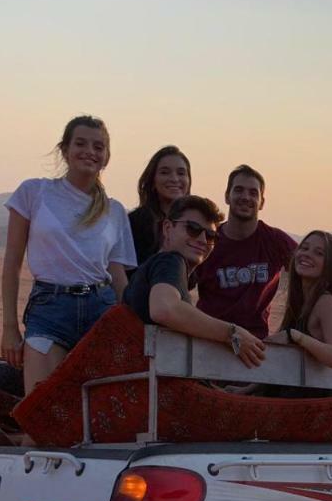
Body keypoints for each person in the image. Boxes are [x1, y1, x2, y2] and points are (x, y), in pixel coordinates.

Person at [1, 115, 136, 393]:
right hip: (50, 309)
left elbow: (118, 276)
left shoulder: (115, 211)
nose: (90, 152)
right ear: (65, 149)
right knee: (41, 414)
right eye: (81, 143)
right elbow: (12, 263)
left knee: (96, 414)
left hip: (101, 311)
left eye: (98, 147)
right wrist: (9, 328)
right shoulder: (34, 192)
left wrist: (133, 327)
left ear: (107, 157)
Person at [123, 195, 265, 368]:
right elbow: (164, 309)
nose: (203, 240)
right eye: (192, 228)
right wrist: (232, 333)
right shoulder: (171, 261)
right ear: (168, 228)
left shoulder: (156, 267)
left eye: (211, 236)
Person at [194, 164, 297, 338]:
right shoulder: (208, 239)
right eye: (239, 190)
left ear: (262, 202)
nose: (245, 197)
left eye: (253, 193)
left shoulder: (274, 240)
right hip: (210, 339)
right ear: (227, 196)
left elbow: (310, 273)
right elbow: (179, 287)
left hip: (256, 342)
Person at [265, 231, 332, 371]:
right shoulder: (299, 300)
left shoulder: (325, 302)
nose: (307, 254)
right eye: (304, 248)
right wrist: (248, 389)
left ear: (331, 265)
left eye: (319, 253)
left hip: (308, 391)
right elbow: (281, 364)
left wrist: (294, 337)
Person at [129, 146, 191, 266]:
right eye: (165, 172)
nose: (174, 179)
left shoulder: (196, 224)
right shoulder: (134, 223)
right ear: (153, 180)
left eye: (181, 173)